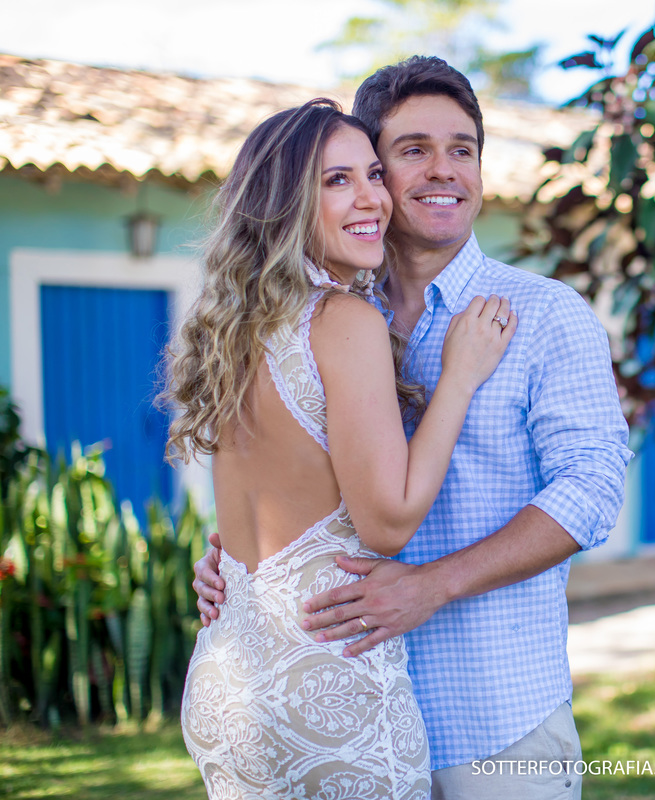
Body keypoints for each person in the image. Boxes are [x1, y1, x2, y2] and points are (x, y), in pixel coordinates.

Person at [193, 57, 632, 799]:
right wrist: (236, 569)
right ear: (374, 173)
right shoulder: (322, 318)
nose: (444, 170)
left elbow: (593, 488)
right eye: (413, 150)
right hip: (343, 702)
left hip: (492, 721)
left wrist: (435, 584)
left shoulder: (546, 315)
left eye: (463, 149)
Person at [165, 98, 516, 799]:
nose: (372, 200)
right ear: (285, 204)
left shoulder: (236, 328)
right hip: (329, 685)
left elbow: (267, 513)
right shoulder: (343, 318)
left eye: (374, 175)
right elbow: (388, 521)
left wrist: (219, 561)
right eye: (336, 181)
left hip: (226, 684)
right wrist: (460, 377)